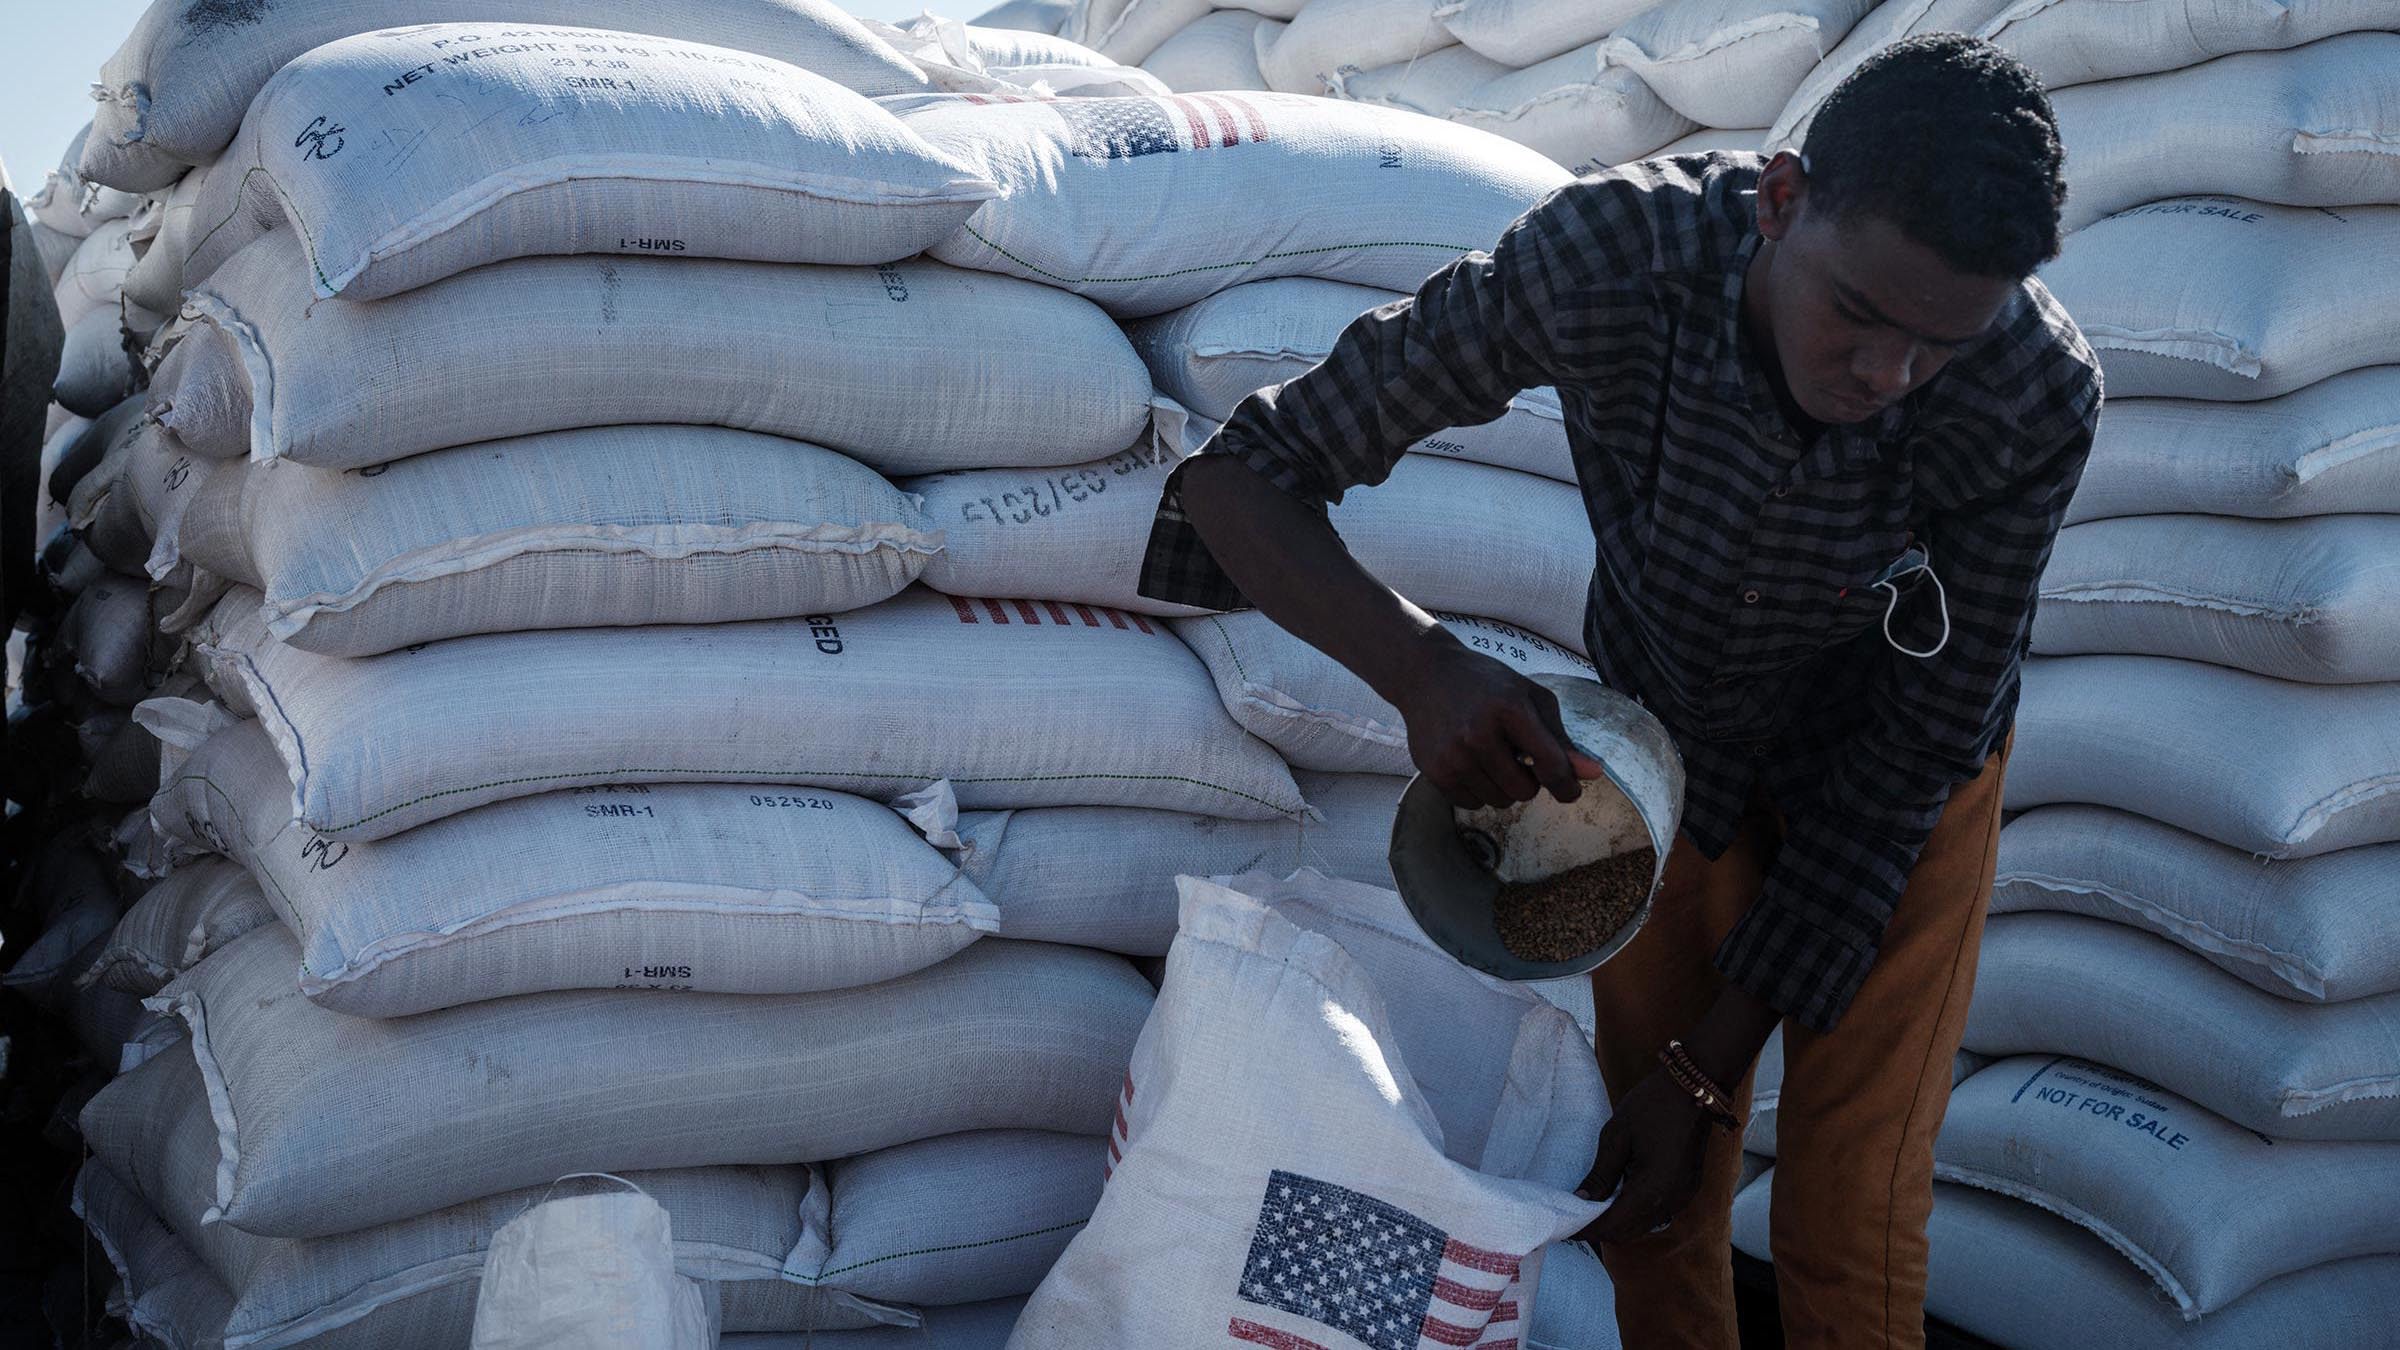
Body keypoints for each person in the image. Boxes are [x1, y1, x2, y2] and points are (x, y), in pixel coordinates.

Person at [1137, 32, 2103, 1350]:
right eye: (1862, 319)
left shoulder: (2033, 392)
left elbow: (1908, 762)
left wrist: (1709, 1065)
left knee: (1848, 1214)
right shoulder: (1612, 262)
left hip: (1898, 790)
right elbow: (1242, 479)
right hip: (1664, 752)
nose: (1890, 378)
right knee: (1650, 1199)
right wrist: (1422, 669)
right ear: (1780, 202)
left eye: (1940, 347)